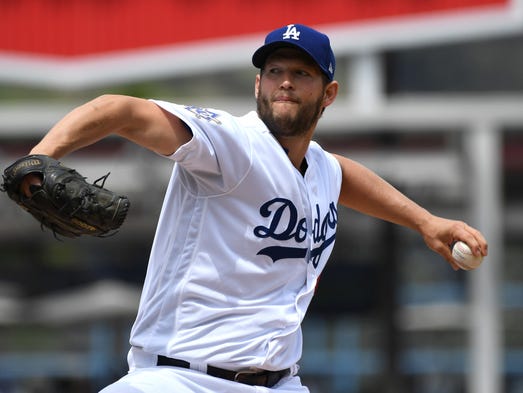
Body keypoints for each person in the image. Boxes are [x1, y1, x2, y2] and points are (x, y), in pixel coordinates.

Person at [22, 23, 487, 393]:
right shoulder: (231, 144)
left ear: (328, 94)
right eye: (274, 71)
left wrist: (425, 221)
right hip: (180, 379)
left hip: (282, 381)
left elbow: (344, 175)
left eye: (301, 73)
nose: (284, 82)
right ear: (257, 84)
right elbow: (119, 110)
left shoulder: (319, 167)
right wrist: (39, 160)